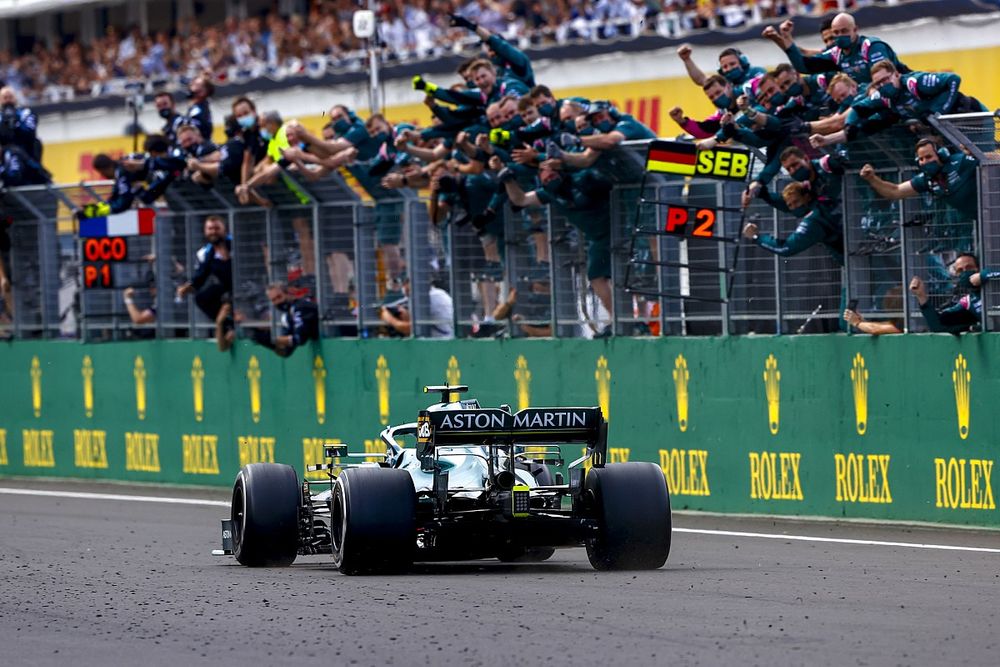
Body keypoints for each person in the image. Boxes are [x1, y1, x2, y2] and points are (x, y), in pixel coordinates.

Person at [859, 138, 978, 250]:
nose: (925, 162)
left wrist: (976, 155)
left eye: (928, 157)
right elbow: (895, 191)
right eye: (921, 159)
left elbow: (991, 161)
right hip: (981, 218)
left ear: (941, 155)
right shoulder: (927, 179)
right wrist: (872, 179)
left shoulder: (961, 161)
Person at [772, 12, 908, 85]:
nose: (840, 36)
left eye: (844, 31)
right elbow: (803, 67)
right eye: (836, 33)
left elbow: (885, 81)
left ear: (855, 30)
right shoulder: (835, 54)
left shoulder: (872, 47)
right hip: (871, 99)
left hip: (902, 91)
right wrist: (787, 37)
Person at [742, 181, 844, 266]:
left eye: (796, 202)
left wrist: (756, 237)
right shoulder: (823, 200)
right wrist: (763, 194)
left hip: (852, 260)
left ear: (807, 197)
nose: (794, 207)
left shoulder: (814, 220)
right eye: (790, 205)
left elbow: (785, 248)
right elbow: (785, 203)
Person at [909, 253, 1000, 334]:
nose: (965, 272)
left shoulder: (995, 284)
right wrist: (921, 297)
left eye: (969, 267)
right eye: (960, 270)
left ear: (978, 268)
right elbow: (938, 326)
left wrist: (984, 275)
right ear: (956, 275)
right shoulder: (968, 302)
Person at [176, 215, 232, 329]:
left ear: (224, 229)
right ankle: (227, 326)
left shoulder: (235, 244)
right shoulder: (207, 252)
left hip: (245, 284)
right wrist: (186, 288)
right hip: (226, 287)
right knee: (202, 297)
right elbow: (200, 277)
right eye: (210, 229)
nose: (213, 232)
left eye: (217, 228)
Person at [249, 282, 319, 356]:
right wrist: (268, 340)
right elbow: (285, 351)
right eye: (273, 300)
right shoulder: (287, 314)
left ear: (288, 293)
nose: (278, 302)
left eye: (279, 297)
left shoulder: (300, 307)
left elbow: (300, 339)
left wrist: (279, 340)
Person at [379, 276, 454, 339]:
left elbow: (409, 329)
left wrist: (389, 319)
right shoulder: (438, 292)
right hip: (443, 341)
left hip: (442, 344)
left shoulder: (431, 297)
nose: (404, 288)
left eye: (406, 283)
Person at [185, 74, 214, 141]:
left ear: (203, 92)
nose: (191, 85)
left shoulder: (198, 111)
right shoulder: (195, 107)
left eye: (196, 84)